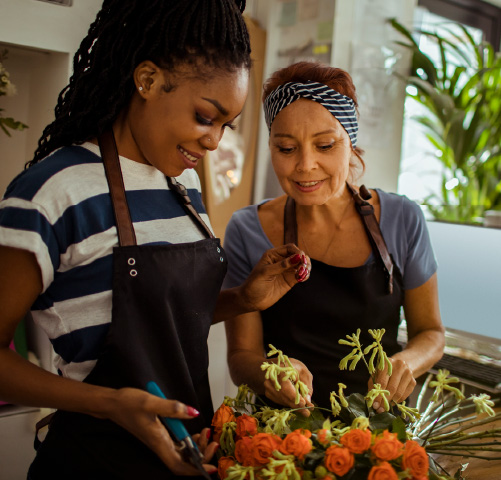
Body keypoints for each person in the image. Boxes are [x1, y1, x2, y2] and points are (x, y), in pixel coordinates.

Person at [0, 2, 311, 479]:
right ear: (146, 80)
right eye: (206, 116)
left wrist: (244, 299)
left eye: (227, 125)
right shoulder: (56, 191)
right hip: (93, 463)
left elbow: (156, 319)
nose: (214, 142)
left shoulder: (182, 188)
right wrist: (109, 404)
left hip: (187, 461)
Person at [223, 61, 445, 416]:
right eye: (286, 148)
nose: (305, 165)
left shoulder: (403, 219)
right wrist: (269, 374)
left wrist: (406, 362)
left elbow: (431, 333)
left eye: (325, 145)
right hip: (281, 437)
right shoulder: (246, 230)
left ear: (350, 143)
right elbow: (240, 358)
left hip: (376, 436)